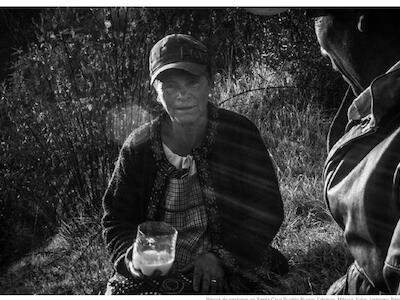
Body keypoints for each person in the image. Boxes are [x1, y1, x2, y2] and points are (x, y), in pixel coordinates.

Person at [102, 33, 287, 295]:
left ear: (210, 83)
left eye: (192, 82)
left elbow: (267, 210)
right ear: (155, 92)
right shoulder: (138, 147)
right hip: (157, 266)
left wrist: (219, 256)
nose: (182, 95)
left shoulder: (239, 133)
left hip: (228, 255)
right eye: (169, 86)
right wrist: (133, 259)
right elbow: (116, 220)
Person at [253, 8, 400, 294]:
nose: (322, 51)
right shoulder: (380, 106)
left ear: (363, 18)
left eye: (315, 13)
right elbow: (375, 264)